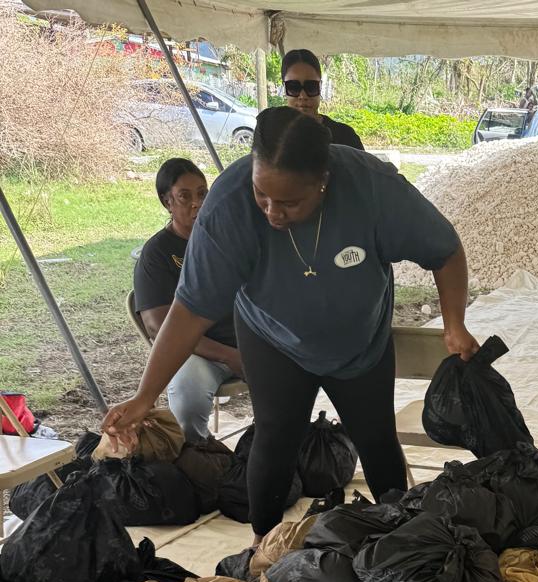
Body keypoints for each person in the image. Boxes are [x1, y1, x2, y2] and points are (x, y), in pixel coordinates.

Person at [100, 107, 478, 541]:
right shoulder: (227, 206)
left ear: (323, 181)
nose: (272, 213)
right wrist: (145, 395)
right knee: (275, 438)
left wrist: (454, 324)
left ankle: (401, 542)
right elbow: (188, 310)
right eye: (261, 194)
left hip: (359, 343)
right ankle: (262, 546)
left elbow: (445, 251)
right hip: (271, 340)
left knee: (375, 438)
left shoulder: (373, 188)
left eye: (290, 202)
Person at [133, 157, 242, 442]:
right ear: (167, 202)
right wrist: (229, 356)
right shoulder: (157, 253)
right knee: (188, 399)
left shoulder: (229, 239)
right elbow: (158, 326)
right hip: (199, 353)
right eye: (185, 196)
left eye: (202, 193)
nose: (197, 203)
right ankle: (198, 455)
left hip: (250, 344)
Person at [281, 49, 364, 150]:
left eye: (311, 87)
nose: (303, 96)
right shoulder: (271, 135)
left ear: (320, 86)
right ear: (284, 88)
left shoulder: (345, 136)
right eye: (293, 87)